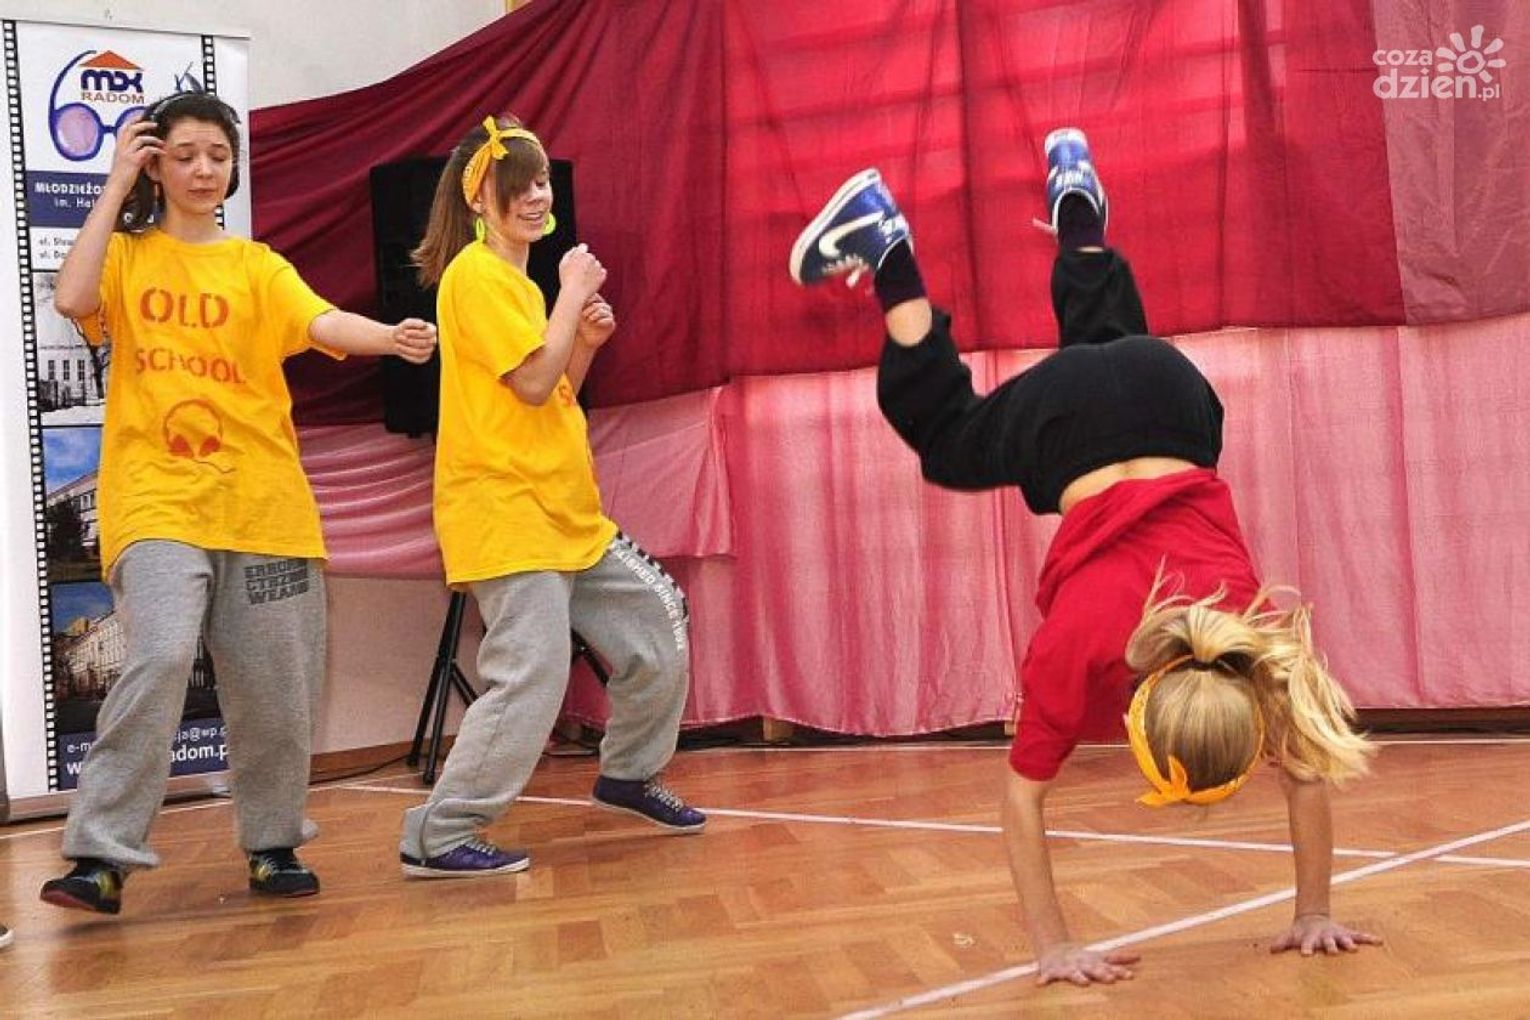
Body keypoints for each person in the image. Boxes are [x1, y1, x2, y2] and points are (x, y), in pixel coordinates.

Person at [789, 130, 1380, 985]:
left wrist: (1314, 908)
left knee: (1108, 346)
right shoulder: (1085, 649)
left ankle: (1079, 213)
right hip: (1065, 426)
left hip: (1170, 389)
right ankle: (887, 248)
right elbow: (1022, 798)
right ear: (1136, 716)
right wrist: (1053, 946)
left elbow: (1306, 776)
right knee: (947, 439)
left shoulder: (1251, 639)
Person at [40, 91, 437, 915]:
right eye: (183, 155)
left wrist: (391, 337)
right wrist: (114, 185)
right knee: (158, 657)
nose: (202, 170)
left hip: (265, 507)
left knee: (276, 686)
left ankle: (272, 843)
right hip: (156, 500)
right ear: (156, 165)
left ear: (233, 167)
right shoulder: (127, 255)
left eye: (217, 156)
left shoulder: (257, 266)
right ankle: (100, 855)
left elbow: (322, 323)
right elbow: (73, 299)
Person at [399, 114, 704, 879]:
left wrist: (584, 343)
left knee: (658, 620)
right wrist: (571, 295)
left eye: (541, 181)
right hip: (506, 512)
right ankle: (438, 834)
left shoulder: (518, 285)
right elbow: (534, 381)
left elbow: (551, 390)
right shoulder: (475, 277)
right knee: (531, 675)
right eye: (520, 185)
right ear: (480, 200)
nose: (537, 195)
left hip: (565, 511)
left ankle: (629, 772)